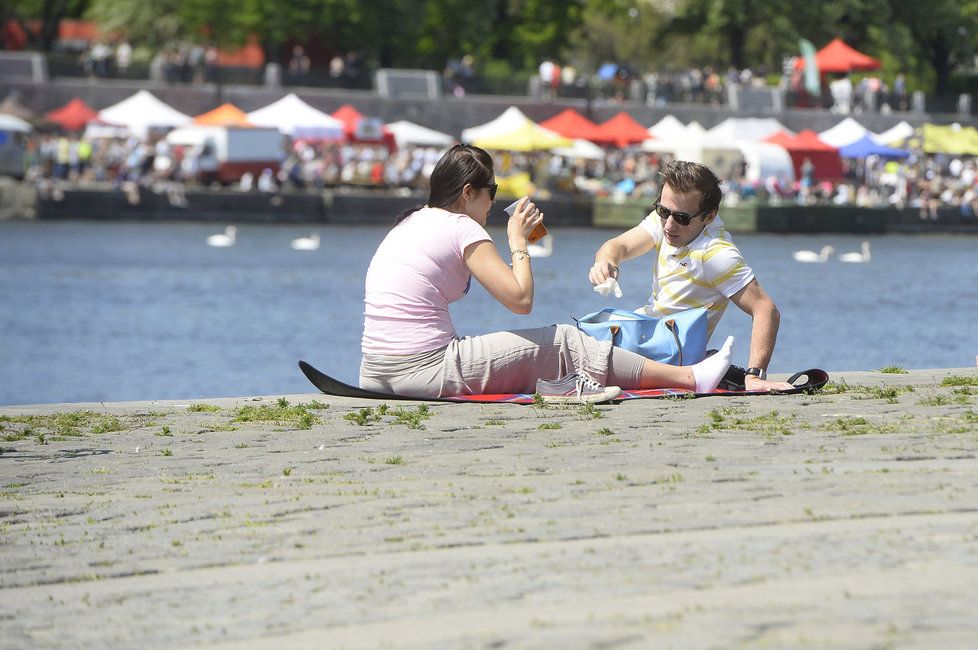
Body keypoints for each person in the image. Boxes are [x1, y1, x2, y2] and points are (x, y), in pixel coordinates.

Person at [359, 145, 736, 403]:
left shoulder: (409, 221)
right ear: (467, 193)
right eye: (492, 190)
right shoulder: (462, 228)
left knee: (535, 353)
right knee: (564, 341)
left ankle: (565, 385)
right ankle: (691, 379)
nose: (494, 200)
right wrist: (518, 240)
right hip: (426, 370)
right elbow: (520, 301)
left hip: (374, 371)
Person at [588, 160, 792, 392]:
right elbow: (620, 246)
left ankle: (708, 370)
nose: (669, 225)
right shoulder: (663, 221)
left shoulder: (716, 254)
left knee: (569, 347)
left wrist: (755, 376)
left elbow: (766, 309)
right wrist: (606, 262)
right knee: (571, 340)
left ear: (709, 216)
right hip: (646, 335)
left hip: (669, 356)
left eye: (682, 218)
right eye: (663, 211)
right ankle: (712, 366)